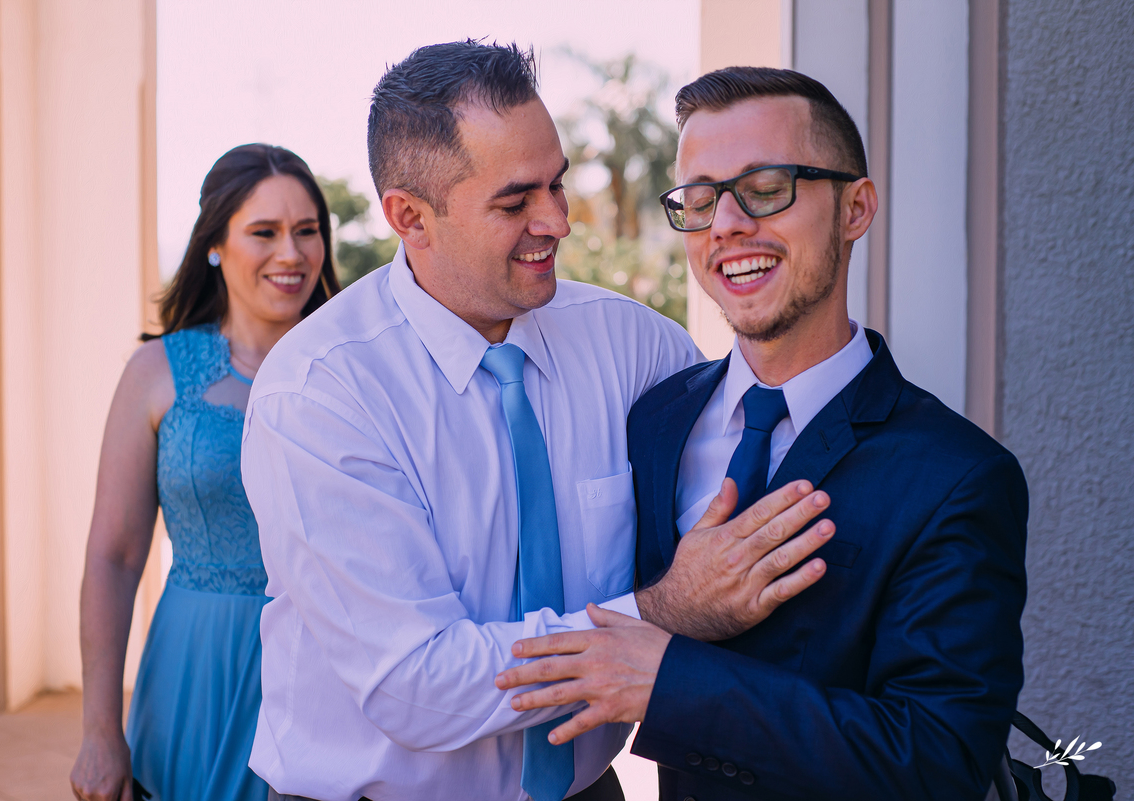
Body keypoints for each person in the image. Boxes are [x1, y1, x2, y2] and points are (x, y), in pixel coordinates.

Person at [241, 43, 834, 801]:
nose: (556, 221)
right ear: (410, 217)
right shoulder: (320, 394)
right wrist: (661, 611)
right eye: (515, 202)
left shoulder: (636, 346)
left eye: (557, 183)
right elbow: (417, 683)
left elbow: (740, 507)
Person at [497, 67, 1028, 801]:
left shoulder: (958, 475)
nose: (726, 225)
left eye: (767, 188)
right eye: (700, 199)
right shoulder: (654, 421)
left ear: (855, 208)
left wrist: (671, 683)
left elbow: (940, 759)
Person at [70, 144, 340, 801]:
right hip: (196, 671)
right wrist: (99, 731)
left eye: (307, 230)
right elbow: (114, 557)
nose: (291, 253)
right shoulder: (156, 373)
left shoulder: (352, 368)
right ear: (215, 244)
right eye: (264, 232)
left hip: (327, 670)